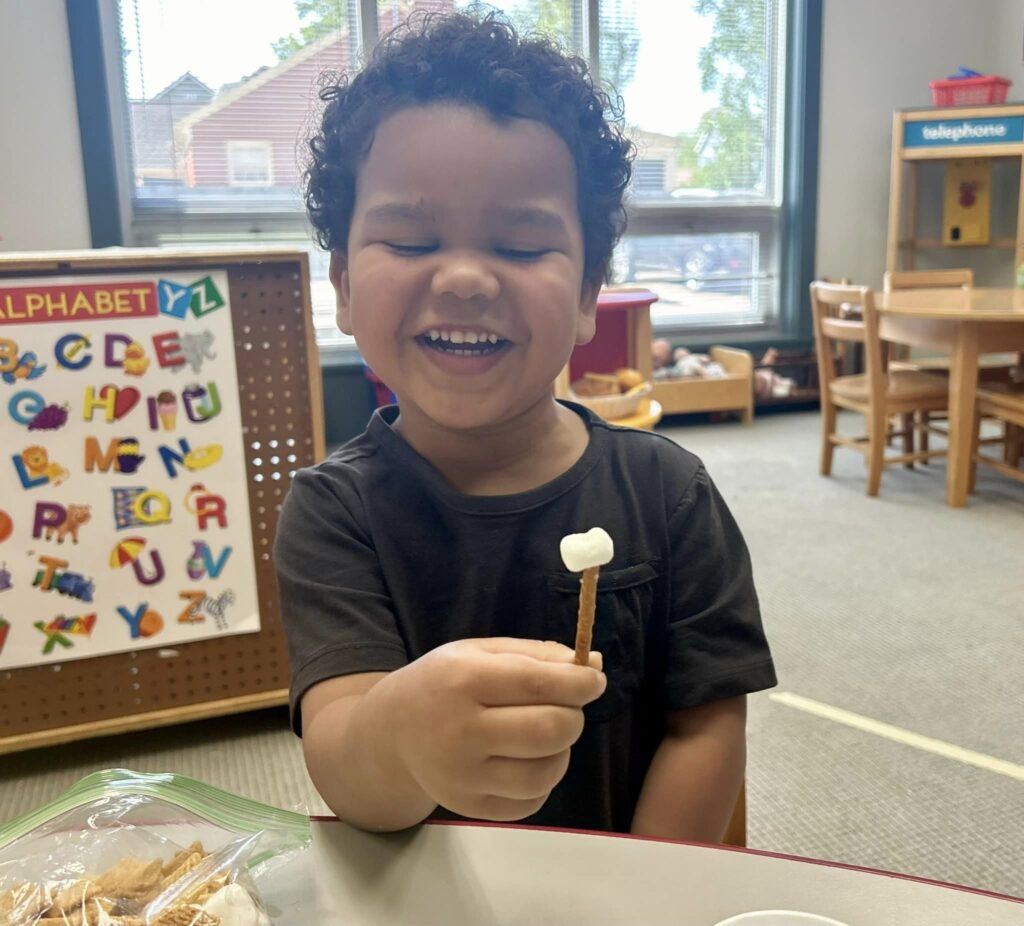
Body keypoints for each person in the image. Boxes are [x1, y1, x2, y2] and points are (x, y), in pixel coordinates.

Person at [273, 11, 776, 840]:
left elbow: (707, 728)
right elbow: (342, 758)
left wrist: (635, 902)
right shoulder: (333, 514)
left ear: (586, 295)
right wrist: (400, 740)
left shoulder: (671, 493)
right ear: (343, 286)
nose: (466, 277)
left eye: (518, 245)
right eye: (408, 238)